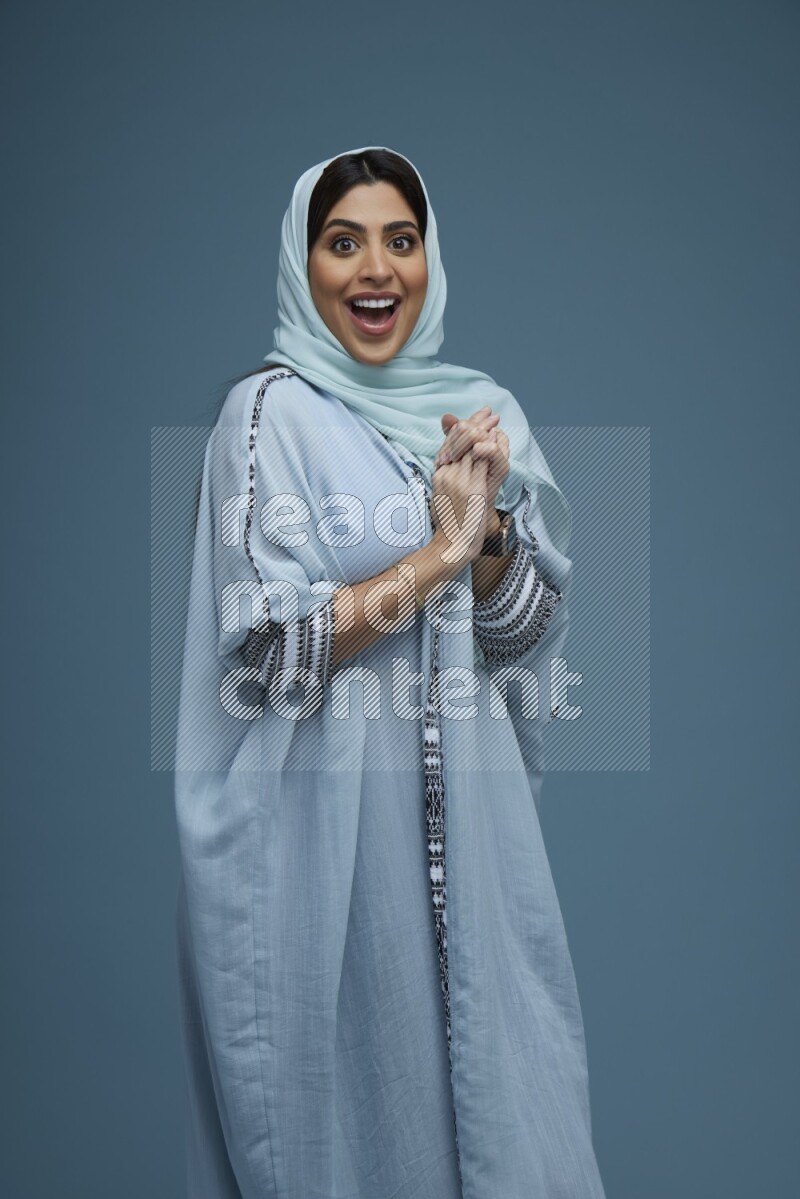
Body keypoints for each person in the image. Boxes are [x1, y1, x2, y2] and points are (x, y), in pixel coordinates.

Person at [173, 145, 606, 1198]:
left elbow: (518, 638)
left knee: (518, 1129)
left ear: (429, 258)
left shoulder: (472, 413)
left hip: (478, 860)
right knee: (359, 1145)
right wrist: (439, 554)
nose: (376, 269)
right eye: (343, 242)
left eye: (400, 240)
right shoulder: (269, 417)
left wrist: (486, 527)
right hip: (335, 862)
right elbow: (270, 648)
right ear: (303, 263)